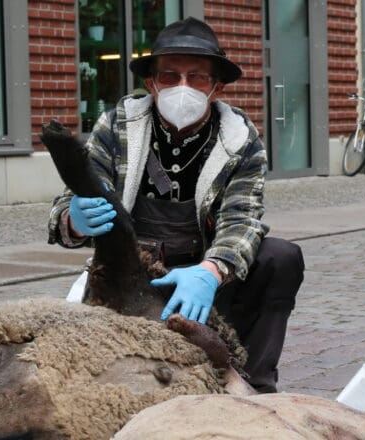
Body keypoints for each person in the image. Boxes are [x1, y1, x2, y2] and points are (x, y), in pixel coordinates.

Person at [47, 17, 304, 393]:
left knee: (281, 257)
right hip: (132, 274)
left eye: (197, 77)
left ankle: (256, 385)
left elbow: (242, 220)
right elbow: (67, 207)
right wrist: (75, 220)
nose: (183, 87)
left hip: (204, 276)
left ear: (216, 88)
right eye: (170, 76)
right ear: (151, 83)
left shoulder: (240, 139)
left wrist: (211, 271)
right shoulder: (117, 126)